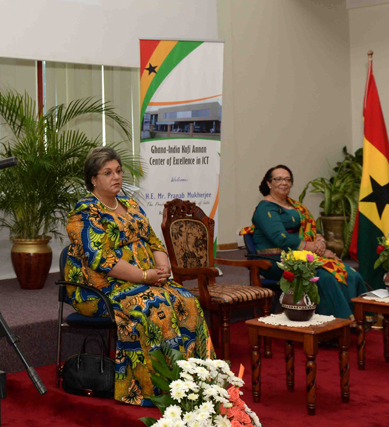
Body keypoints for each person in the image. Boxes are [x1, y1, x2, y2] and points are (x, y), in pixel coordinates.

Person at [64, 146, 211, 405]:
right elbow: (101, 260)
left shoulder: (131, 205)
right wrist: (145, 276)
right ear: (93, 179)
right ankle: (154, 391)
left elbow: (154, 242)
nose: (116, 177)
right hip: (100, 289)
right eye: (107, 172)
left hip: (145, 279)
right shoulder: (85, 212)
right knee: (152, 307)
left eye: (118, 171)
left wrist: (162, 269)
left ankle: (195, 381)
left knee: (187, 300)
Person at [241, 164, 367, 319]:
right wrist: (314, 248)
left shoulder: (295, 206)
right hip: (277, 260)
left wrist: (320, 242)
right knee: (325, 276)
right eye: (278, 179)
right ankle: (332, 323)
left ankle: (359, 319)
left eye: (288, 179)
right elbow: (281, 239)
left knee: (347, 271)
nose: (284, 183)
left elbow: (313, 228)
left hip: (304, 256)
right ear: (269, 183)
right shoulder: (265, 208)